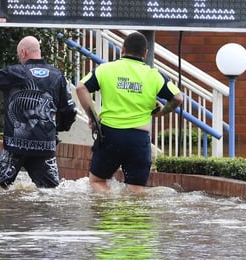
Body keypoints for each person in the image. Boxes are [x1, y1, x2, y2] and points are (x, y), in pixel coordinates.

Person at [0, 36, 76, 189]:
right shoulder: (57, 75)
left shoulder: (14, 72)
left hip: (15, 148)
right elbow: (70, 110)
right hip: (45, 147)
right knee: (50, 193)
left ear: (23, 52)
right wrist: (57, 128)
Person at [75, 32, 184, 194]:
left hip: (110, 136)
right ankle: (132, 218)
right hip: (138, 140)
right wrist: (161, 113)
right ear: (145, 53)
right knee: (136, 188)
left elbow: (80, 88)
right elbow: (178, 98)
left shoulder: (106, 69)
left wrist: (93, 116)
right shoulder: (154, 75)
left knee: (97, 180)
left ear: (122, 49)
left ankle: (110, 206)